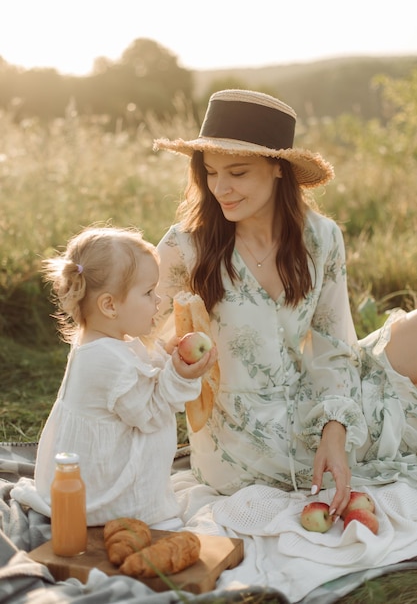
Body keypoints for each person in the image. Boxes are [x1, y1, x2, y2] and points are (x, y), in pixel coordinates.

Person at [152, 88, 417, 522]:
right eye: (212, 172)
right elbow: (129, 335)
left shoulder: (321, 236)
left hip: (322, 398)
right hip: (246, 440)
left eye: (237, 172)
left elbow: (334, 347)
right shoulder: (186, 246)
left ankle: (356, 427)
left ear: (278, 169)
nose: (221, 188)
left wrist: (335, 428)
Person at [34, 225, 217, 527]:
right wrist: (180, 376)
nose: (158, 301)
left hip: (87, 486)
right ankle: (139, 509)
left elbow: (135, 379)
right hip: (99, 500)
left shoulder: (100, 347)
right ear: (109, 305)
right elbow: (149, 412)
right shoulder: (106, 360)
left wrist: (161, 356)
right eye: (147, 293)